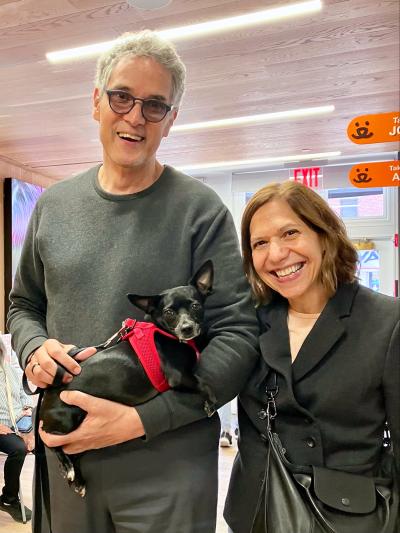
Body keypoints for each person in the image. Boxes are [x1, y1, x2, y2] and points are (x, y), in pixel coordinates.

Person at [7, 30, 259, 533]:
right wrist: (33, 347)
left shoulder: (199, 210)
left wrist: (145, 419)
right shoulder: (54, 207)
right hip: (68, 461)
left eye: (155, 105)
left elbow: (239, 336)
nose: (135, 117)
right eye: (122, 97)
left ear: (171, 119)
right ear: (96, 101)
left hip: (167, 465)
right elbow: (22, 305)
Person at [224, 181, 399, 533]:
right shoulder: (247, 320)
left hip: (345, 516)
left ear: (324, 234)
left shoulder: (385, 322)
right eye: (260, 243)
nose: (275, 254)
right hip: (257, 511)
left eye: (290, 233)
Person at [0, 336, 34, 523]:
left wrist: (28, 412)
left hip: (19, 423)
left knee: (46, 444)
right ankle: (9, 498)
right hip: (1, 427)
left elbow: (25, 396)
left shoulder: (12, 371)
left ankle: (51, 495)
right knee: (18, 449)